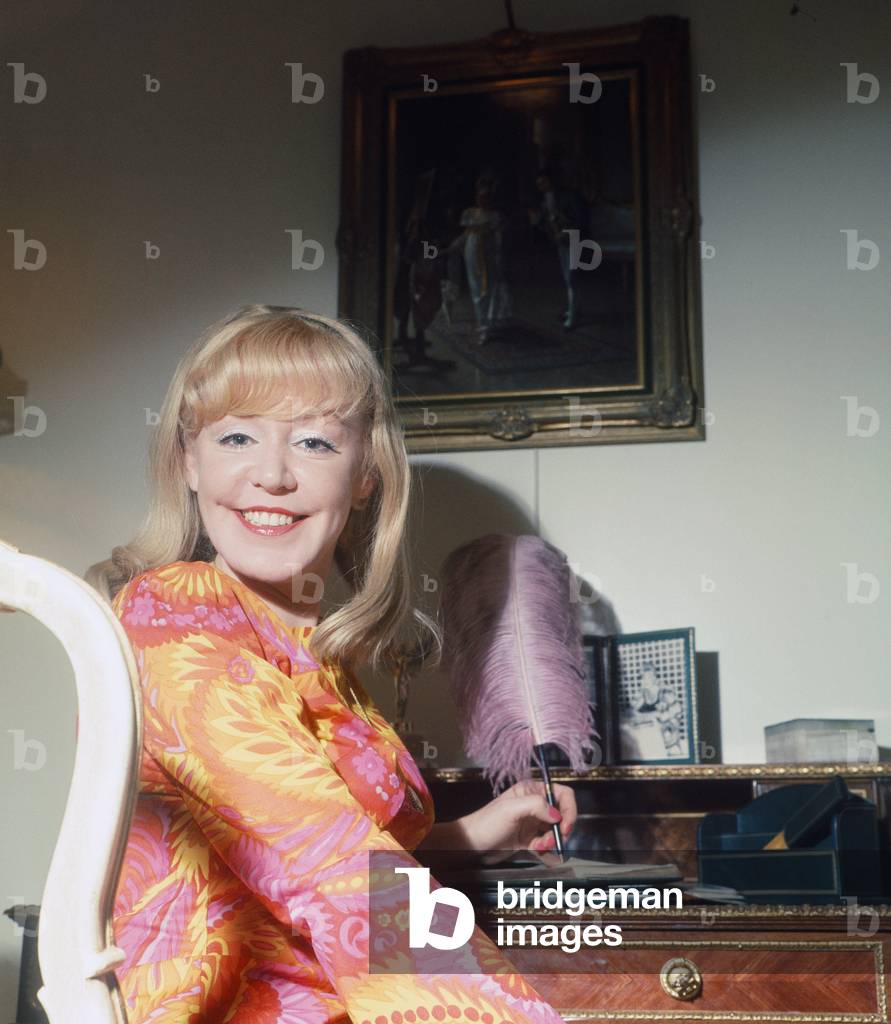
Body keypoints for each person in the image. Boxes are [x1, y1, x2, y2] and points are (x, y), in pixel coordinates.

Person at [87, 304, 577, 1024]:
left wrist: (478, 830)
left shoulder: (323, 660)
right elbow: (333, 869)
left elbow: (328, 841)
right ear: (188, 462)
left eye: (315, 442)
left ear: (365, 476)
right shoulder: (173, 612)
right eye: (237, 436)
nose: (272, 475)